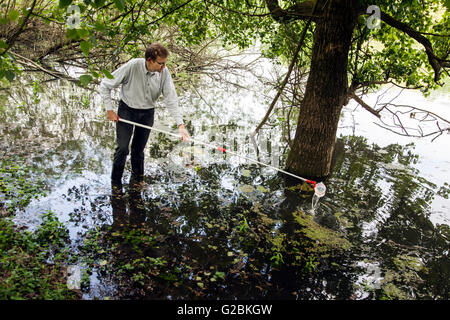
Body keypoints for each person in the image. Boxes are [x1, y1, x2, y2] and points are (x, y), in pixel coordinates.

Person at [99, 43, 190, 190]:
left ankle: (137, 182)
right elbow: (105, 84)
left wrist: (181, 125)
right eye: (161, 64)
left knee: (138, 150)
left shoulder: (164, 73)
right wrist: (109, 110)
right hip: (127, 110)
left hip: (147, 113)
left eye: (165, 64)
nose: (163, 67)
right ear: (149, 60)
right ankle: (115, 184)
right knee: (122, 149)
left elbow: (171, 99)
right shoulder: (133, 66)